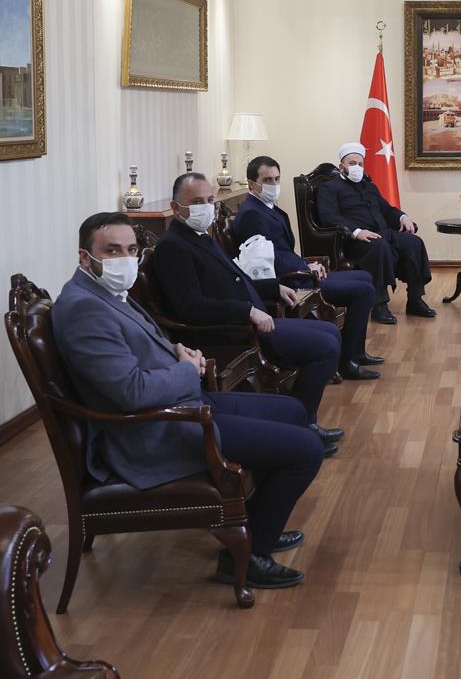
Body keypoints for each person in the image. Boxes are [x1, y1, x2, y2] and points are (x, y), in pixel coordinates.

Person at [53, 212, 325, 589]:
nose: (124, 259)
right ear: (86, 257)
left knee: (293, 411)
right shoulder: (84, 309)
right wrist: (185, 369)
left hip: (180, 403)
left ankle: (256, 522)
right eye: (112, 251)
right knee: (307, 449)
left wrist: (176, 351)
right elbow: (130, 392)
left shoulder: (102, 292)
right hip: (155, 428)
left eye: (130, 250)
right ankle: (249, 554)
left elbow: (140, 347)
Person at [150, 172, 344, 453]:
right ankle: (303, 425)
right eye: (197, 202)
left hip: (251, 317)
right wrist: (247, 312)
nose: (206, 207)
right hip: (231, 331)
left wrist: (274, 287)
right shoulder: (173, 246)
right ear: (176, 207)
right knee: (325, 346)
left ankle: (301, 419)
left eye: (210, 200)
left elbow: (236, 278)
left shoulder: (202, 236)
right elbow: (190, 306)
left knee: (330, 332)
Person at [235, 155, 381, 381]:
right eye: (267, 180)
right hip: (289, 281)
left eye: (277, 179)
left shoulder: (266, 207)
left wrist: (307, 263)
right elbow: (267, 259)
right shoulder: (252, 214)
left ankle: (355, 352)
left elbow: (283, 250)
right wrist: (305, 268)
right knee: (363, 290)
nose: (274, 184)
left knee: (364, 277)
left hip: (297, 271)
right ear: (252, 184)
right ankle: (347, 361)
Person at [316, 142, 434, 323]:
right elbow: (328, 216)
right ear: (341, 167)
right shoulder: (329, 187)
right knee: (379, 247)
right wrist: (356, 232)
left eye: (360, 164)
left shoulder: (368, 186)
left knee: (414, 243)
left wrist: (402, 217)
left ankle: (415, 299)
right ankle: (379, 305)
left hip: (383, 232)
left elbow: (386, 210)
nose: (357, 167)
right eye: (352, 163)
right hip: (354, 240)